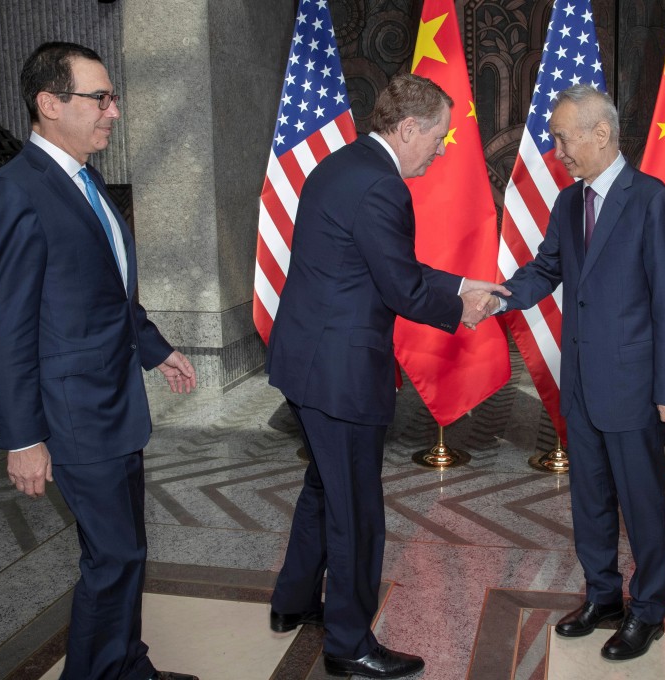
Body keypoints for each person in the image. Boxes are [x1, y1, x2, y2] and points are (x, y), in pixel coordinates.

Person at [264, 73, 508, 679]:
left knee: (325, 486)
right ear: (407, 128)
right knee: (355, 508)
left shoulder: (343, 165)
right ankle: (349, 645)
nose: (441, 149)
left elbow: (380, 263)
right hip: (339, 374)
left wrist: (460, 281)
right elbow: (399, 286)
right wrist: (461, 309)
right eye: (438, 137)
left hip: (306, 360)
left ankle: (294, 600)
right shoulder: (382, 185)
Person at [0, 42, 199, 680]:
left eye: (112, 98)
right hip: (71, 413)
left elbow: (107, 290)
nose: (114, 111)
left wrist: (156, 348)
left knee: (126, 550)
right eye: (100, 98)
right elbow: (2, 328)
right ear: (49, 103)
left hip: (112, 402)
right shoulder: (16, 193)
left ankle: (125, 665)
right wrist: (22, 438)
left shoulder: (84, 180)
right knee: (114, 554)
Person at [490, 84, 665, 661]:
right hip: (580, 383)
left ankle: (648, 611)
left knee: (642, 504)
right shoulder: (568, 203)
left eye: (563, 138)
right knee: (590, 500)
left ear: (600, 134)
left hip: (634, 388)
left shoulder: (653, 201)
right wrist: (496, 297)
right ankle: (602, 596)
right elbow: (546, 269)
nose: (557, 151)